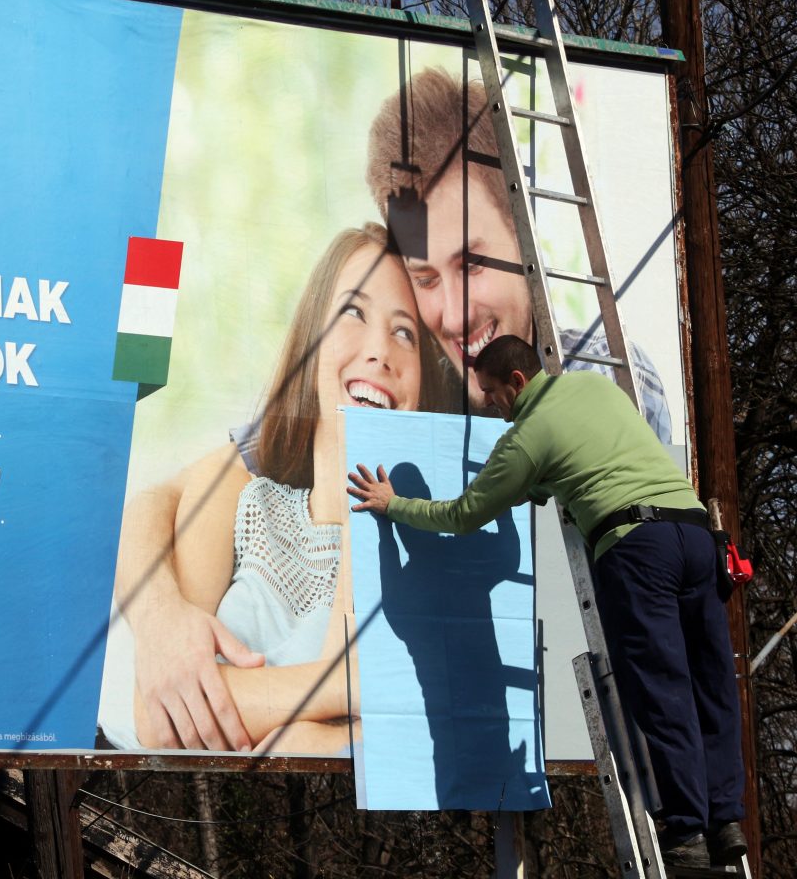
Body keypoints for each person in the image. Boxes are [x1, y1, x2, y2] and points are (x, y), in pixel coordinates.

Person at [346, 334, 746, 868]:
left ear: (516, 381)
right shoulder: (596, 389)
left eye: (492, 393)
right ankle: (726, 820)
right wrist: (539, 482)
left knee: (662, 687)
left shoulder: (526, 440)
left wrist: (394, 505)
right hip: (695, 538)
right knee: (712, 682)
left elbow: (462, 516)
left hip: (636, 548)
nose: (491, 406)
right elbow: (583, 456)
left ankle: (688, 829)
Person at [103, 224, 429, 754]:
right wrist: (343, 689)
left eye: (406, 333)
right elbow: (162, 715)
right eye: (353, 311)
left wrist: (295, 737)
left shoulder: (419, 536)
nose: (380, 351)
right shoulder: (239, 492)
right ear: (311, 340)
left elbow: (410, 738)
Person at [365, 67, 675, 444]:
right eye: (426, 280)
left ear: (522, 235)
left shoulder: (606, 375)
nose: (456, 316)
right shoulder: (409, 399)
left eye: (473, 265)